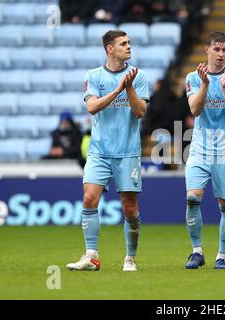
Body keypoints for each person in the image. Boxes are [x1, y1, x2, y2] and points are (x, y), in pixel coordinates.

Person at [66, 30, 149, 272]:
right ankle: (91, 256)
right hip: (99, 151)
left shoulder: (139, 76)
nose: (129, 47)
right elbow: (92, 106)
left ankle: (130, 258)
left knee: (129, 207)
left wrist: (129, 87)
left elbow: (140, 111)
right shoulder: (94, 76)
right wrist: (117, 90)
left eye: (129, 43)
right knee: (89, 198)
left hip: (127, 151)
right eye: (124, 43)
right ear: (110, 49)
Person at [183, 32, 225, 270]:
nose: (221, 54)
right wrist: (207, 85)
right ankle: (196, 251)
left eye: (224, 50)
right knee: (192, 199)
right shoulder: (194, 77)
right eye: (217, 49)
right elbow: (195, 109)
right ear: (207, 49)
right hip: (200, 149)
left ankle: (222, 255)